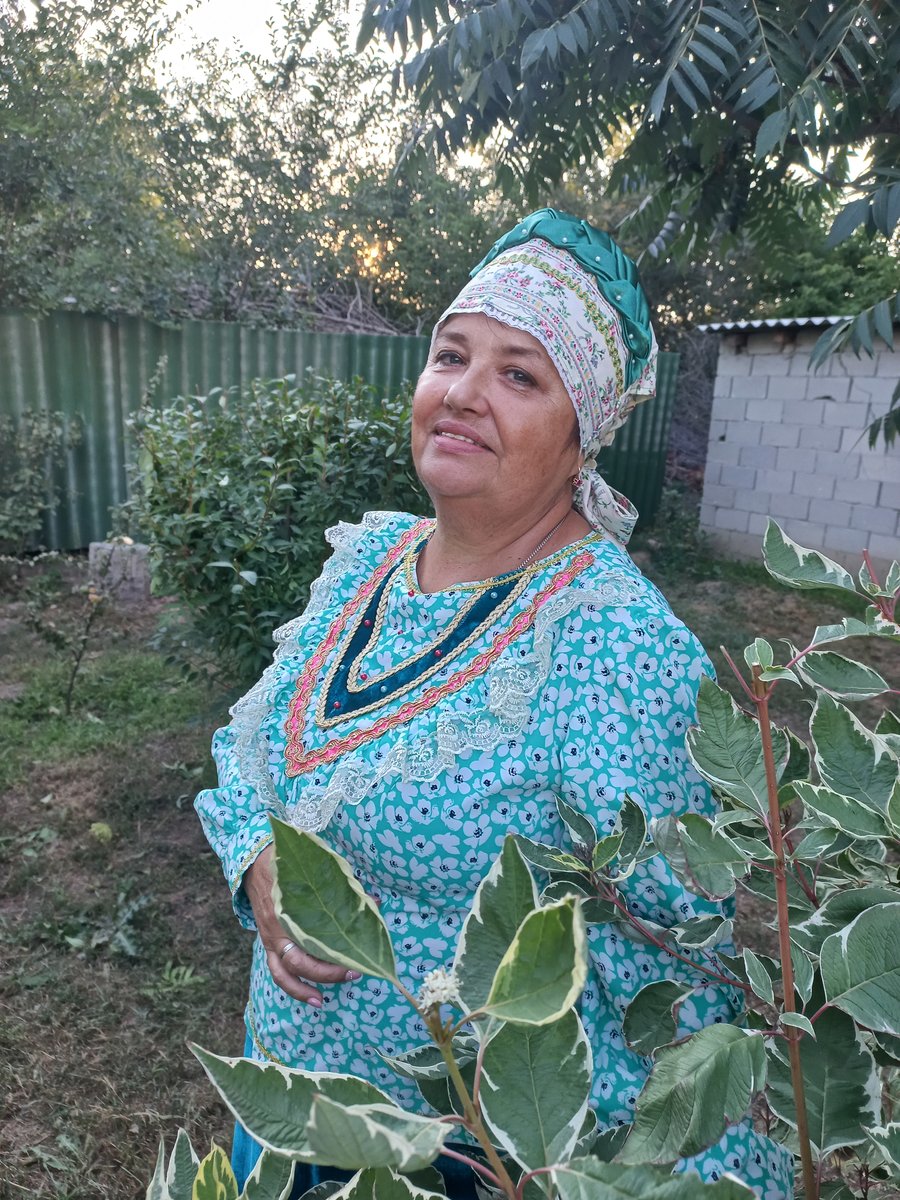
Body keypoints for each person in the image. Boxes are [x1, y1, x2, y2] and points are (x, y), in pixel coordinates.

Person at [195, 208, 793, 1199]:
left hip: (462, 1159)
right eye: (451, 356)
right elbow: (255, 742)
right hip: (288, 1102)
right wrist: (256, 853)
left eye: (520, 375)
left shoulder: (613, 645)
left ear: (581, 437)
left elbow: (680, 970)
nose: (464, 393)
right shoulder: (372, 560)